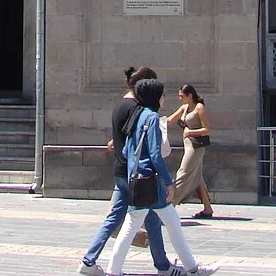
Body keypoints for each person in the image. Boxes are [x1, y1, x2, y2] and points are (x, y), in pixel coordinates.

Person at [106, 79, 216, 276]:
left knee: (135, 225)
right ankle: (192, 269)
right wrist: (168, 182)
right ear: (155, 97)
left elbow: (127, 150)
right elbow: (155, 155)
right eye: (163, 94)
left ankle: (113, 271)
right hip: (151, 181)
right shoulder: (151, 118)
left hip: (137, 179)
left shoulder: (136, 116)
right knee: (169, 223)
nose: (165, 98)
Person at [77, 67, 179, 276]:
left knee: (118, 218)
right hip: (135, 173)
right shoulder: (136, 108)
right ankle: (163, 266)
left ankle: (89, 261)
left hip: (122, 171)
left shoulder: (120, 105)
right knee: (150, 218)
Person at [169, 84, 213, 219]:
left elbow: (207, 130)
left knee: (183, 173)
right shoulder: (184, 108)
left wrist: (190, 132)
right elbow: (170, 120)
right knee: (197, 177)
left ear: (190, 95)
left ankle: (169, 206)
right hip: (188, 145)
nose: (180, 98)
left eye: (182, 96)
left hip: (196, 147)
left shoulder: (199, 108)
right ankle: (207, 208)